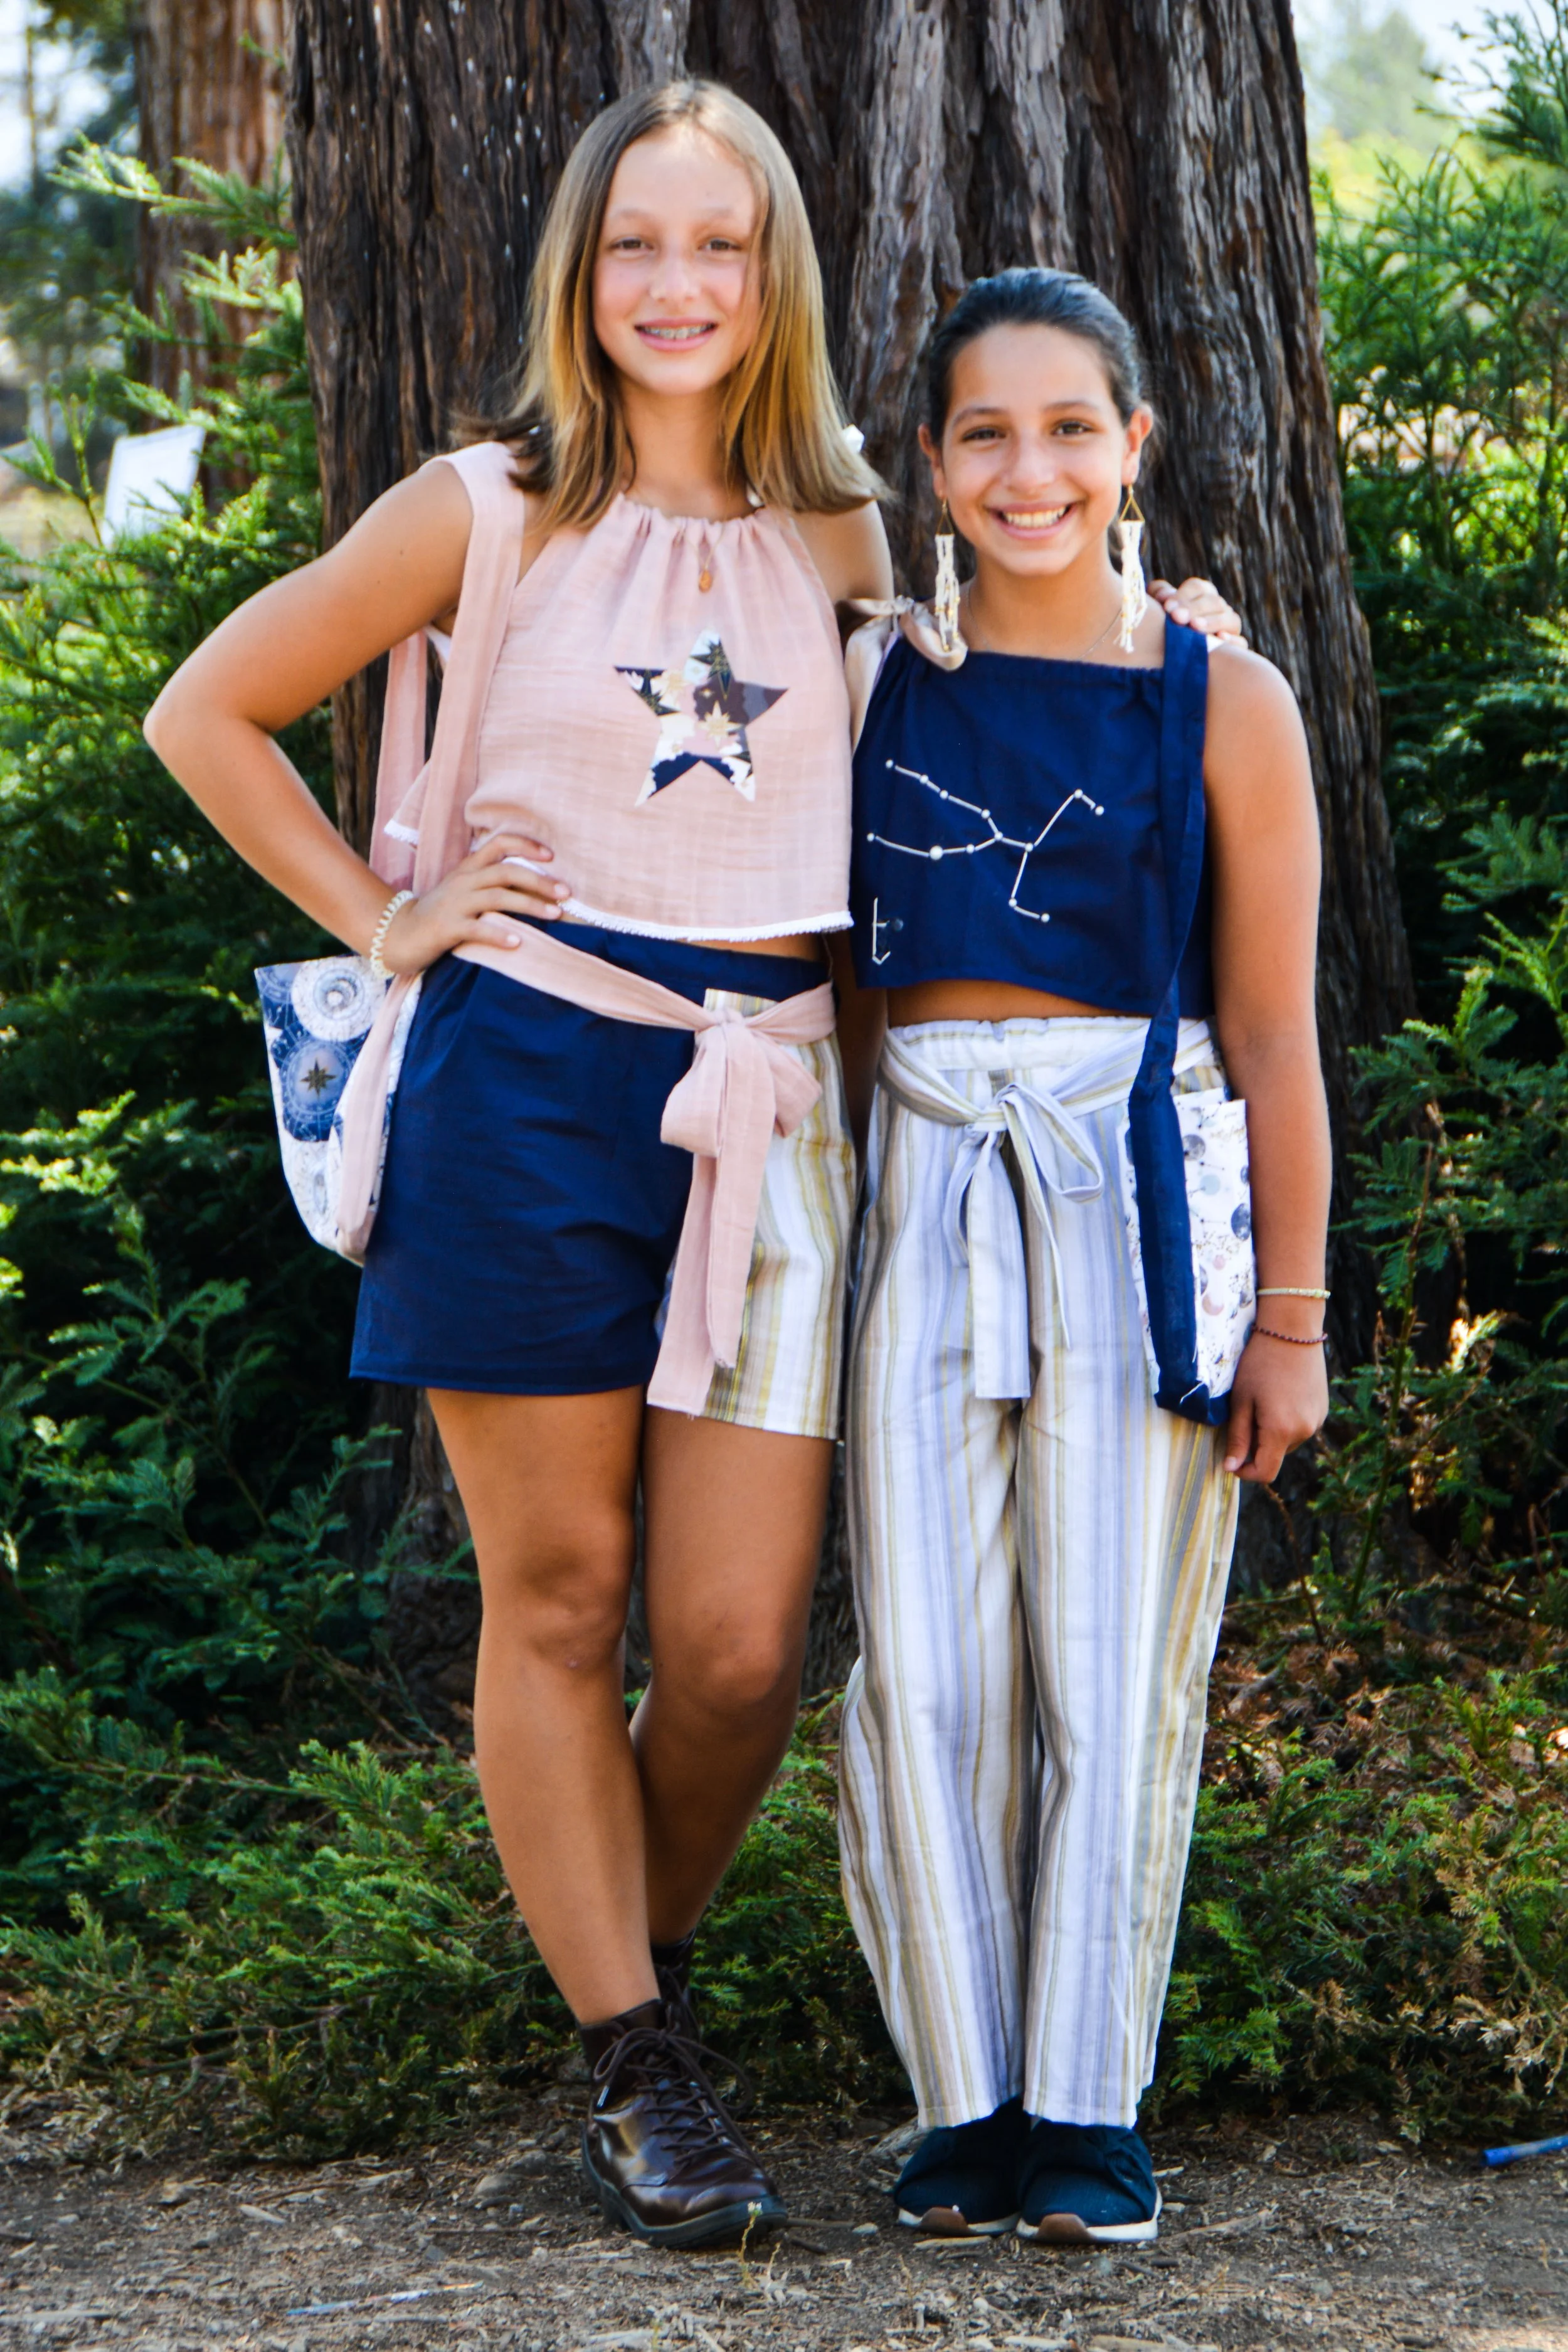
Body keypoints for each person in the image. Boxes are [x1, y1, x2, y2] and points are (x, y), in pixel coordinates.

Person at [835, 267, 1330, 2246]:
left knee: (1113, 1661)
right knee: (927, 1661)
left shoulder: (1222, 690)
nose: (1024, 469)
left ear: (1131, 446)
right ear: (935, 465)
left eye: (1066, 428)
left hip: (1134, 1176)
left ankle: (1088, 2103)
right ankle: (961, 2091)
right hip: (931, 1172)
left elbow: (1279, 1029)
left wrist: (1288, 1317)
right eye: (981, 433)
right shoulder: (878, 668)